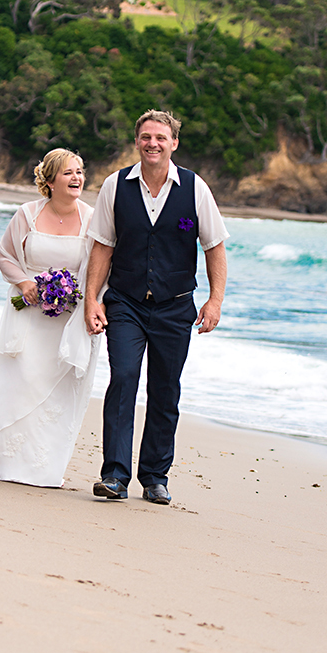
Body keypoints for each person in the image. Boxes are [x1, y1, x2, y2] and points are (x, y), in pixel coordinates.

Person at [84, 110, 229, 506]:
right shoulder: (116, 186)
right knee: (124, 378)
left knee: (165, 391)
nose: (153, 144)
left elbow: (214, 246)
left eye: (161, 138)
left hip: (176, 306)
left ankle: (155, 478)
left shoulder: (196, 189)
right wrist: (91, 299)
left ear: (174, 143)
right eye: (146, 137)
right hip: (126, 302)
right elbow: (102, 245)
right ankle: (114, 475)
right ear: (137, 141)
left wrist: (215, 301)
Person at [0, 149, 98, 487]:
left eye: (79, 172)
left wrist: (87, 302)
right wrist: (25, 282)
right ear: (49, 181)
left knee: (53, 390)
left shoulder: (92, 218)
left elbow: (97, 267)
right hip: (27, 312)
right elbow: (5, 256)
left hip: (67, 319)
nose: (76, 178)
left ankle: (37, 468)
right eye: (67, 173)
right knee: (19, 383)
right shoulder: (27, 214)